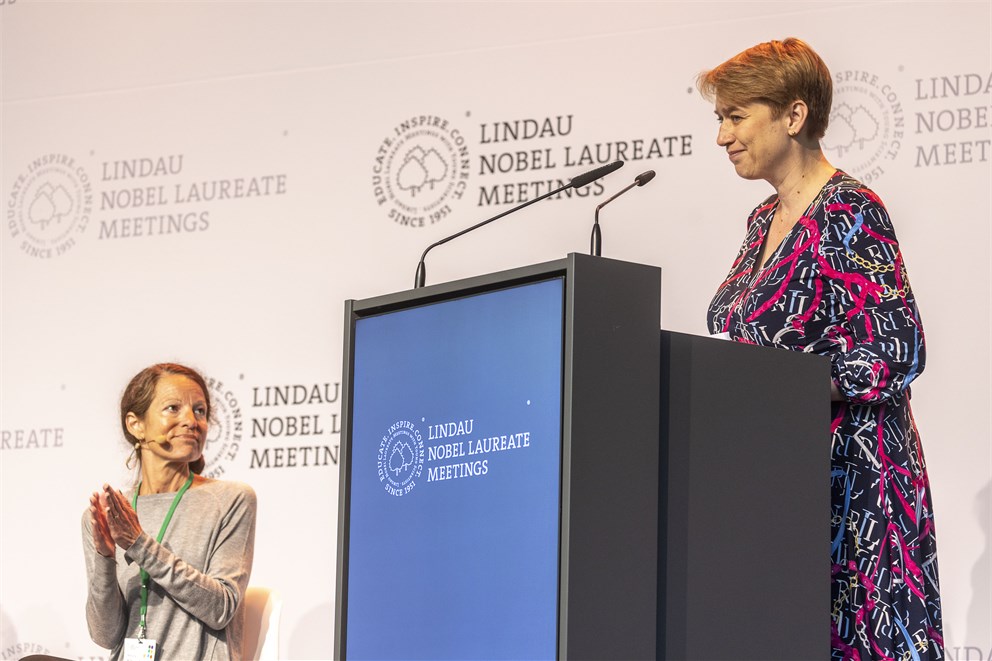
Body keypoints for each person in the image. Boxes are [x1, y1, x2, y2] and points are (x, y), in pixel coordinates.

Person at [698, 39, 942, 659]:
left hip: (856, 490)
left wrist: (788, 383)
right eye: (719, 119)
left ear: (794, 115)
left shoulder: (849, 212)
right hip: (781, 484)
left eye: (735, 116)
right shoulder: (762, 222)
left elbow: (897, 348)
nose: (722, 135)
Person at [82, 363, 256, 660]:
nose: (191, 420)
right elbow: (105, 635)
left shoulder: (231, 499)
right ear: (136, 424)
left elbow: (221, 608)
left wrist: (138, 543)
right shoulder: (110, 514)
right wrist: (105, 560)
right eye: (173, 408)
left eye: (200, 411)